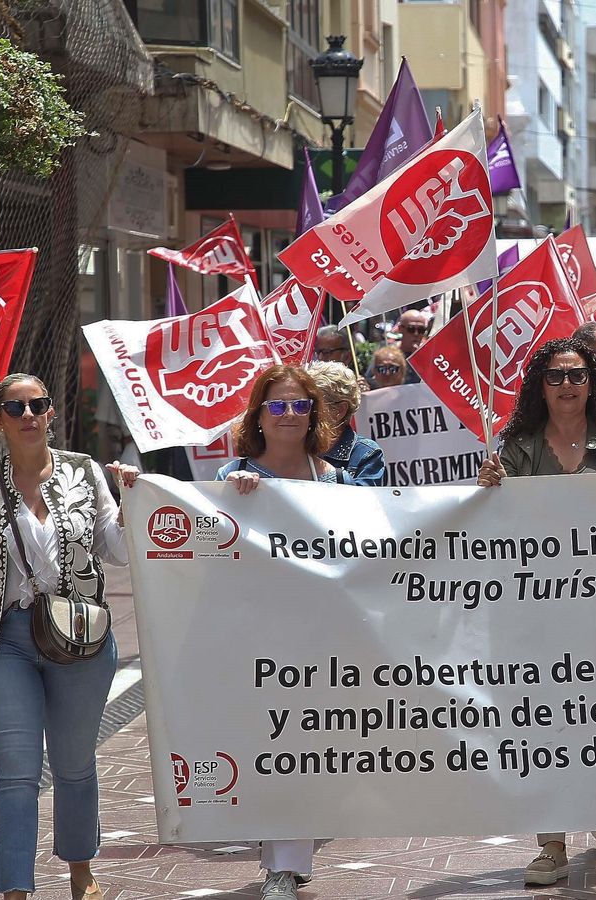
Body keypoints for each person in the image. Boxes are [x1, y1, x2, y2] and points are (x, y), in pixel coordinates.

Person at [0, 373, 128, 900]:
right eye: (15, 409)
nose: (28, 416)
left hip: (79, 636)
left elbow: (120, 548)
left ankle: (80, 869)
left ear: (49, 414)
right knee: (17, 771)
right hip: (4, 639)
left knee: (73, 761)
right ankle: (14, 889)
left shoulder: (85, 472)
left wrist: (136, 502)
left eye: (37, 406)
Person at [475, 338, 596, 885]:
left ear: (593, 382)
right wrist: (488, 488)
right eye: (556, 376)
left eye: (577, 375)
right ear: (540, 384)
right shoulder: (517, 445)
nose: (568, 385)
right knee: (543, 722)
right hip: (536, 613)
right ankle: (551, 842)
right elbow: (492, 526)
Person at [211, 365, 346, 898]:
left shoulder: (334, 481)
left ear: (313, 414)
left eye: (299, 405)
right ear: (258, 416)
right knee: (272, 746)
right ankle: (283, 862)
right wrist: (233, 497)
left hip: (320, 637)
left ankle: (289, 855)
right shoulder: (231, 478)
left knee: (308, 747)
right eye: (278, 405)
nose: (289, 414)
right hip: (255, 637)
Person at [307, 360, 386, 485]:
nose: (304, 411)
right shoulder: (295, 445)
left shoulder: (367, 454)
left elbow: (360, 502)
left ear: (340, 410)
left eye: (313, 404)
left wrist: (329, 473)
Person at [367, 309, 427, 384]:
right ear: (400, 329)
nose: (416, 334)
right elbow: (370, 379)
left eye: (421, 330)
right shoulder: (387, 352)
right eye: (411, 329)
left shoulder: (429, 354)